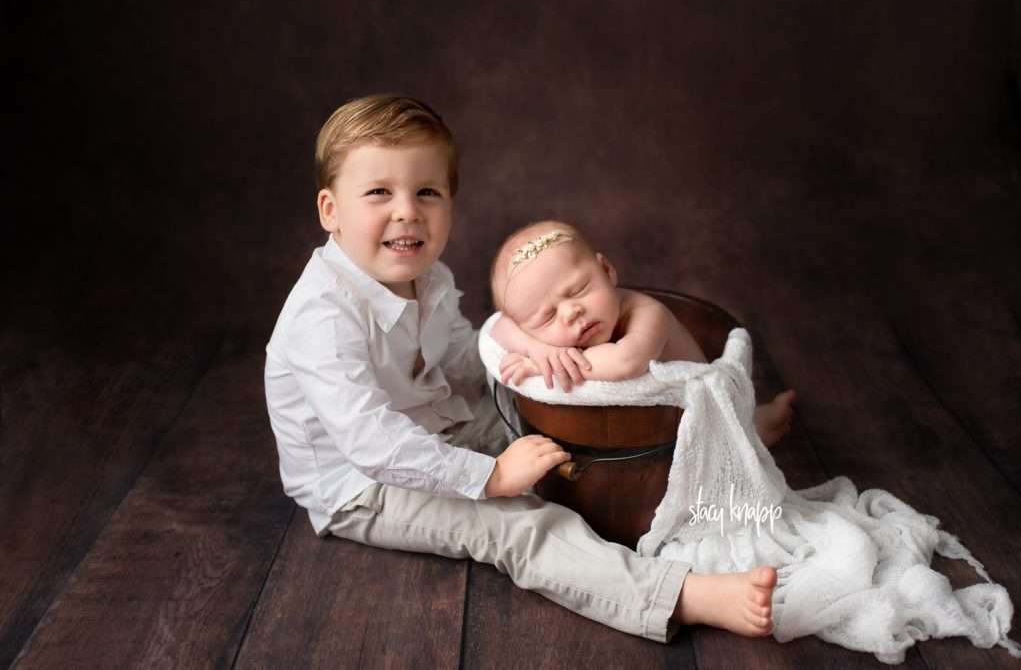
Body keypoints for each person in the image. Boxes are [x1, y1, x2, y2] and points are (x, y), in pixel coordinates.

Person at [264, 93, 777, 645]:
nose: (407, 210)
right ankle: (677, 595)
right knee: (514, 523)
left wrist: (533, 348)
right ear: (330, 211)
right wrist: (491, 477)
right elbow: (371, 441)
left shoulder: (426, 276)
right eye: (379, 193)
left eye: (427, 192)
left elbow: (462, 357)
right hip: (360, 482)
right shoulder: (322, 318)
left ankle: (721, 441)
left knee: (553, 429)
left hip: (435, 423)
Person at [490, 220, 795, 447]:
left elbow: (626, 361)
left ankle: (764, 421)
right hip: (639, 432)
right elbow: (499, 326)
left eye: (579, 290)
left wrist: (537, 366)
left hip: (702, 419)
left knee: (743, 435)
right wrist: (540, 350)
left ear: (606, 270)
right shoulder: (548, 335)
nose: (571, 313)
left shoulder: (649, 313)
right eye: (548, 317)